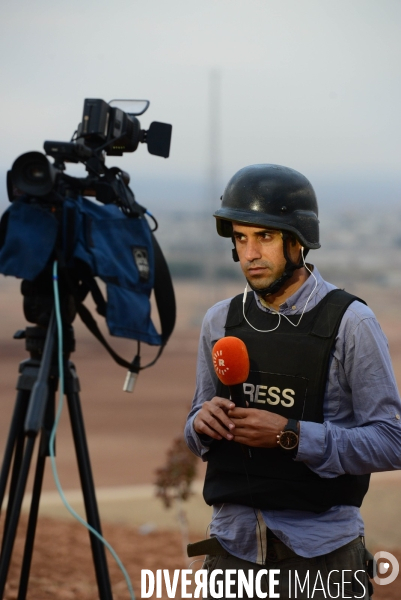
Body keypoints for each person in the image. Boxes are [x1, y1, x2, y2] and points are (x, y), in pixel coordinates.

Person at [184, 164, 401, 599]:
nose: (250, 253)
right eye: (240, 238)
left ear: (297, 240)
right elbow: (195, 429)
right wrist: (200, 424)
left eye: (264, 236)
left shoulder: (350, 322)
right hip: (232, 551)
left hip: (322, 557)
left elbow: (391, 441)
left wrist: (290, 436)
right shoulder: (219, 321)